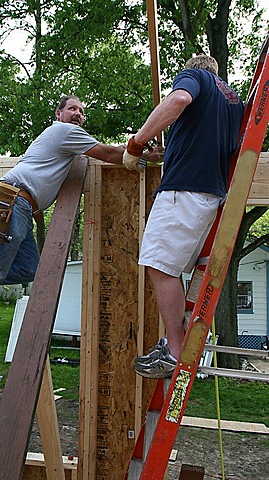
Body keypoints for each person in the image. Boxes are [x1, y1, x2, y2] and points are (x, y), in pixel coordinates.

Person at [0, 95, 162, 361]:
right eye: (72, 109)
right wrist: (142, 151)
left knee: (28, 268)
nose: (78, 114)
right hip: (13, 202)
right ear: (58, 114)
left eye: (82, 112)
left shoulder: (71, 140)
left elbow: (113, 149)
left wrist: (138, 152)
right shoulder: (64, 131)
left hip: (21, 207)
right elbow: (108, 153)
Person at [122, 55, 244, 378]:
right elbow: (212, 143)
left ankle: (175, 350)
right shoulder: (233, 102)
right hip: (209, 196)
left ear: (196, 69)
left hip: (184, 190)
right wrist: (169, 152)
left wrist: (136, 144)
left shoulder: (195, 78)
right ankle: (177, 340)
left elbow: (178, 99)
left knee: (159, 263)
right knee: (171, 266)